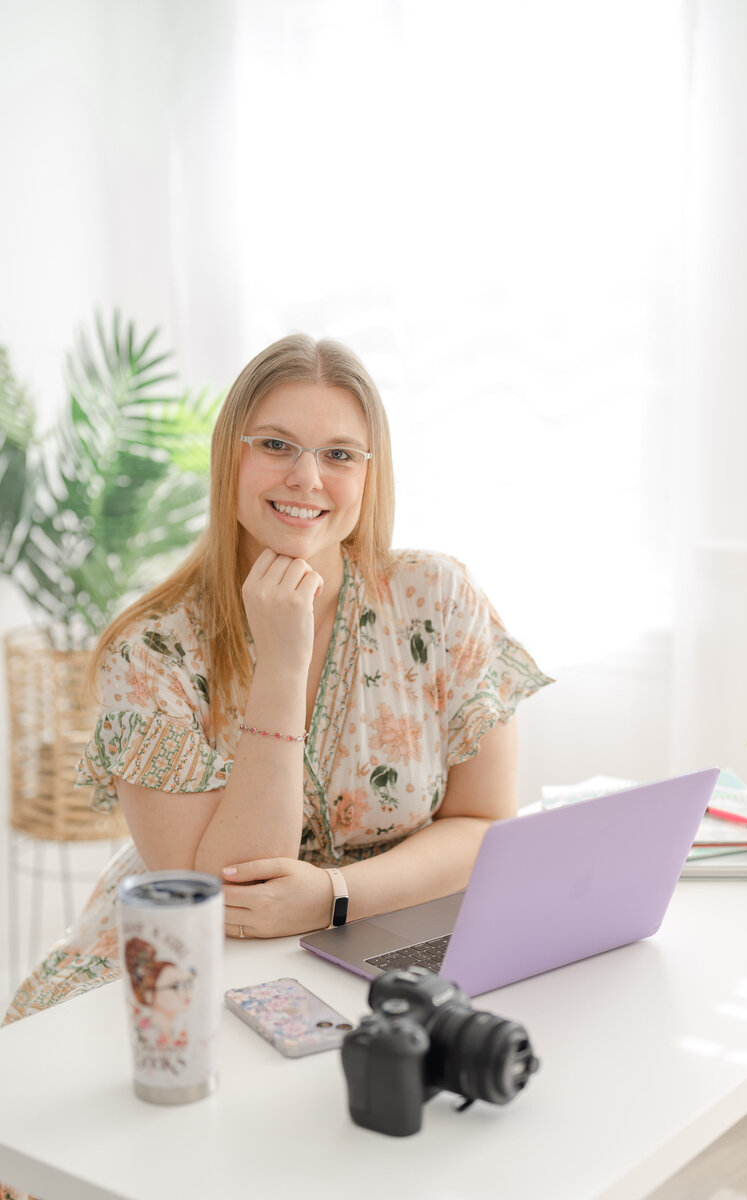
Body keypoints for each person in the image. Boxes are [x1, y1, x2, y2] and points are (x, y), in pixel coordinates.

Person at [3, 333, 552, 1026]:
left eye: (339, 454)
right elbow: (219, 899)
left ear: (368, 475)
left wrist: (336, 895)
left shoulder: (437, 598)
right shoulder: (149, 650)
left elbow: (482, 824)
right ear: (229, 454)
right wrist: (283, 665)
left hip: (369, 946)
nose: (306, 477)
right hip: (171, 973)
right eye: (275, 445)